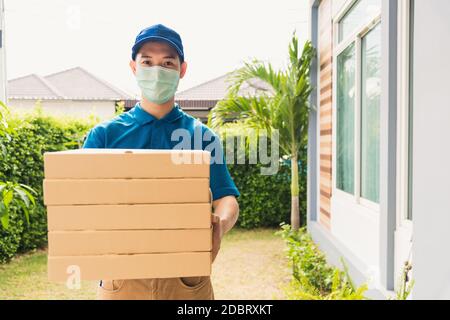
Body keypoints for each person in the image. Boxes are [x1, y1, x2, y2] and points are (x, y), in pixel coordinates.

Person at [82, 24, 240, 300]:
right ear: (134, 68)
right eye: (147, 62)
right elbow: (81, 203)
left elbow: (226, 199)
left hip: (187, 280)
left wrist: (218, 226)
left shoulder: (202, 137)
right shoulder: (104, 136)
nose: (157, 71)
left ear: (182, 70)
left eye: (167, 63)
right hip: (121, 279)